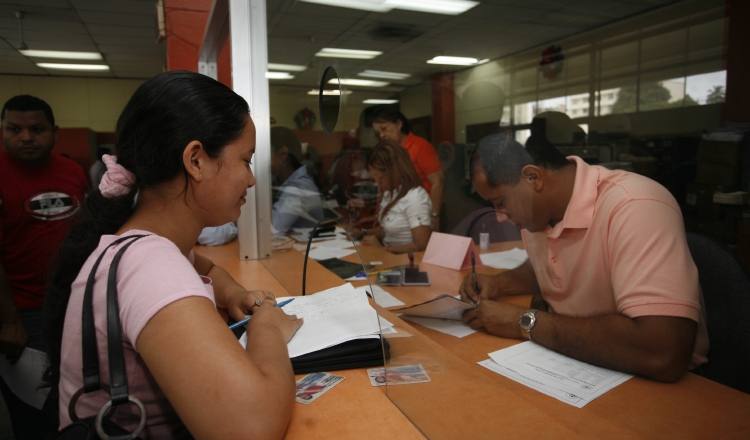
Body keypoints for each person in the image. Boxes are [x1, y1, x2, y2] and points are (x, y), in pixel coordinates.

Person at [45, 71, 303, 438]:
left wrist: (232, 295)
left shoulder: (146, 245)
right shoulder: (149, 264)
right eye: (246, 160)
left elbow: (206, 266)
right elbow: (250, 428)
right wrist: (268, 329)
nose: (251, 179)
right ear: (196, 160)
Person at [458, 133, 708, 383]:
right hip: (579, 365)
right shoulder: (538, 215)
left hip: (650, 379)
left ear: (533, 177)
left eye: (500, 202)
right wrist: (499, 283)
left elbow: (662, 352)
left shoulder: (636, 206)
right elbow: (544, 268)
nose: (500, 216)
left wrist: (523, 322)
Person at [0, 95, 88, 438]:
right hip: (23, 312)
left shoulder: (72, 172)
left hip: (72, 302)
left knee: (76, 402)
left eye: (36, 129)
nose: (25, 137)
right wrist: (8, 321)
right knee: (35, 412)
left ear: (54, 132)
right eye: (14, 129)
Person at [350, 140, 432, 254]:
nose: (377, 182)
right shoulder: (391, 192)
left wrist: (384, 249)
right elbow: (387, 230)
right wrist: (363, 233)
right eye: (375, 176)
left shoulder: (415, 197)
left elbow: (421, 245)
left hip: (405, 262)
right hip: (388, 256)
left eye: (381, 177)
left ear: (397, 171)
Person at [370, 106, 444, 231]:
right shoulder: (387, 151)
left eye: (385, 129)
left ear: (398, 124)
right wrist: (378, 214)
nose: (382, 135)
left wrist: (434, 215)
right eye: (378, 133)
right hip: (398, 214)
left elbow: (438, 182)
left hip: (422, 213)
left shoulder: (420, 146)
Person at [270, 126, 324, 233]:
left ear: (282, 155)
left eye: (265, 154)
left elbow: (273, 229)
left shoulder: (298, 188)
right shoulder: (293, 183)